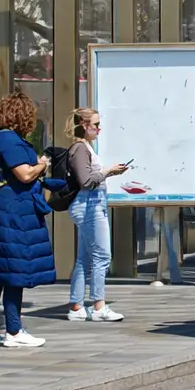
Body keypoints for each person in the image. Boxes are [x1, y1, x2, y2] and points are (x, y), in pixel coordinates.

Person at [0, 91, 65, 348]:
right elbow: (23, 174)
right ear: (22, 116)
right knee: (13, 271)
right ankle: (14, 331)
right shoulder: (9, 140)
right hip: (10, 215)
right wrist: (42, 164)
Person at [63, 107, 128, 322]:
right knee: (102, 256)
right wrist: (109, 171)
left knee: (85, 257)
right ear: (84, 125)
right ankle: (98, 306)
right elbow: (87, 181)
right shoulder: (80, 148)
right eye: (96, 124)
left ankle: (76, 306)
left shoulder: (85, 147)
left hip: (90, 204)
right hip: (89, 204)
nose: (99, 128)